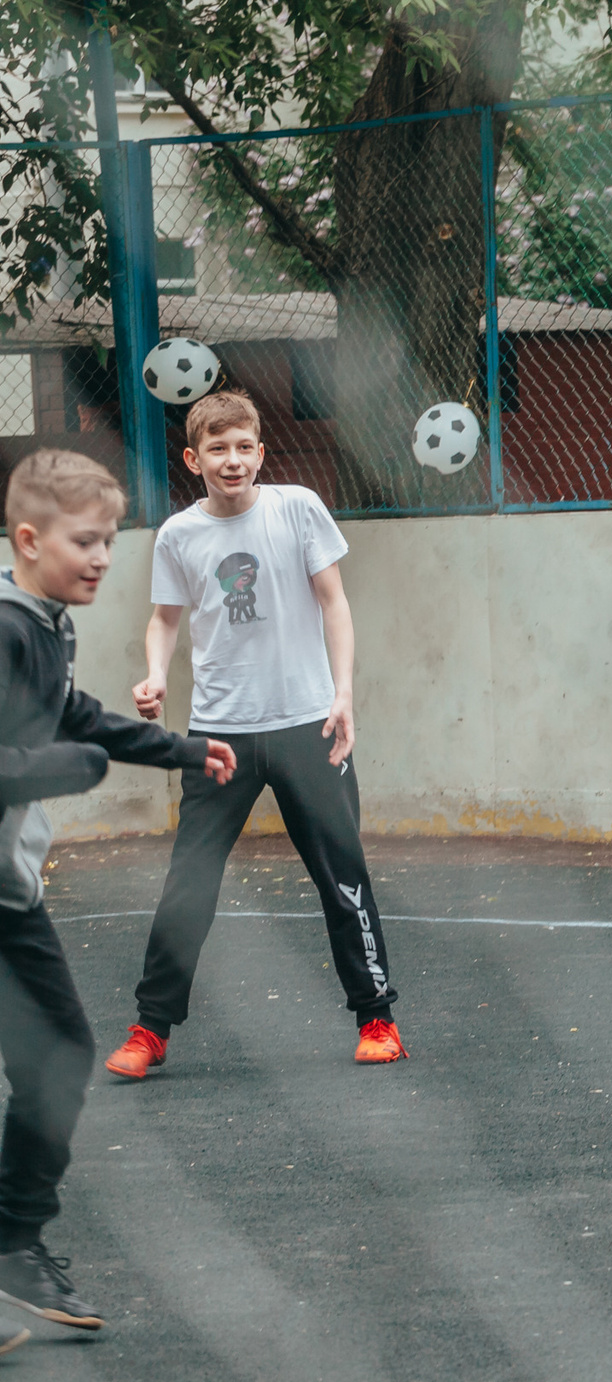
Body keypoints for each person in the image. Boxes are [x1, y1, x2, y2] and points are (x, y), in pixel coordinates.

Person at [0, 450, 236, 1331]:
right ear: (29, 538)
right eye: (84, 541)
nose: (103, 557)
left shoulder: (44, 620)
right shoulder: (7, 626)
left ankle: (14, 1247)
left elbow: (70, 715)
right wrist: (80, 767)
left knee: (56, 1055)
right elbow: (50, 748)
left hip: (7, 891)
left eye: (108, 540)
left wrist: (175, 747)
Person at [105, 391, 401, 1080]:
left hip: (308, 724)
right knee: (189, 884)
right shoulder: (179, 535)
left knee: (342, 876)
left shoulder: (298, 508)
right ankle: (150, 1030)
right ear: (193, 458)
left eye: (244, 447)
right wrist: (153, 674)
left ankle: (378, 1017)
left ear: (260, 452)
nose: (232, 460)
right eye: (217, 448)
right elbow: (164, 620)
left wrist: (344, 693)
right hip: (218, 736)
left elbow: (335, 602)